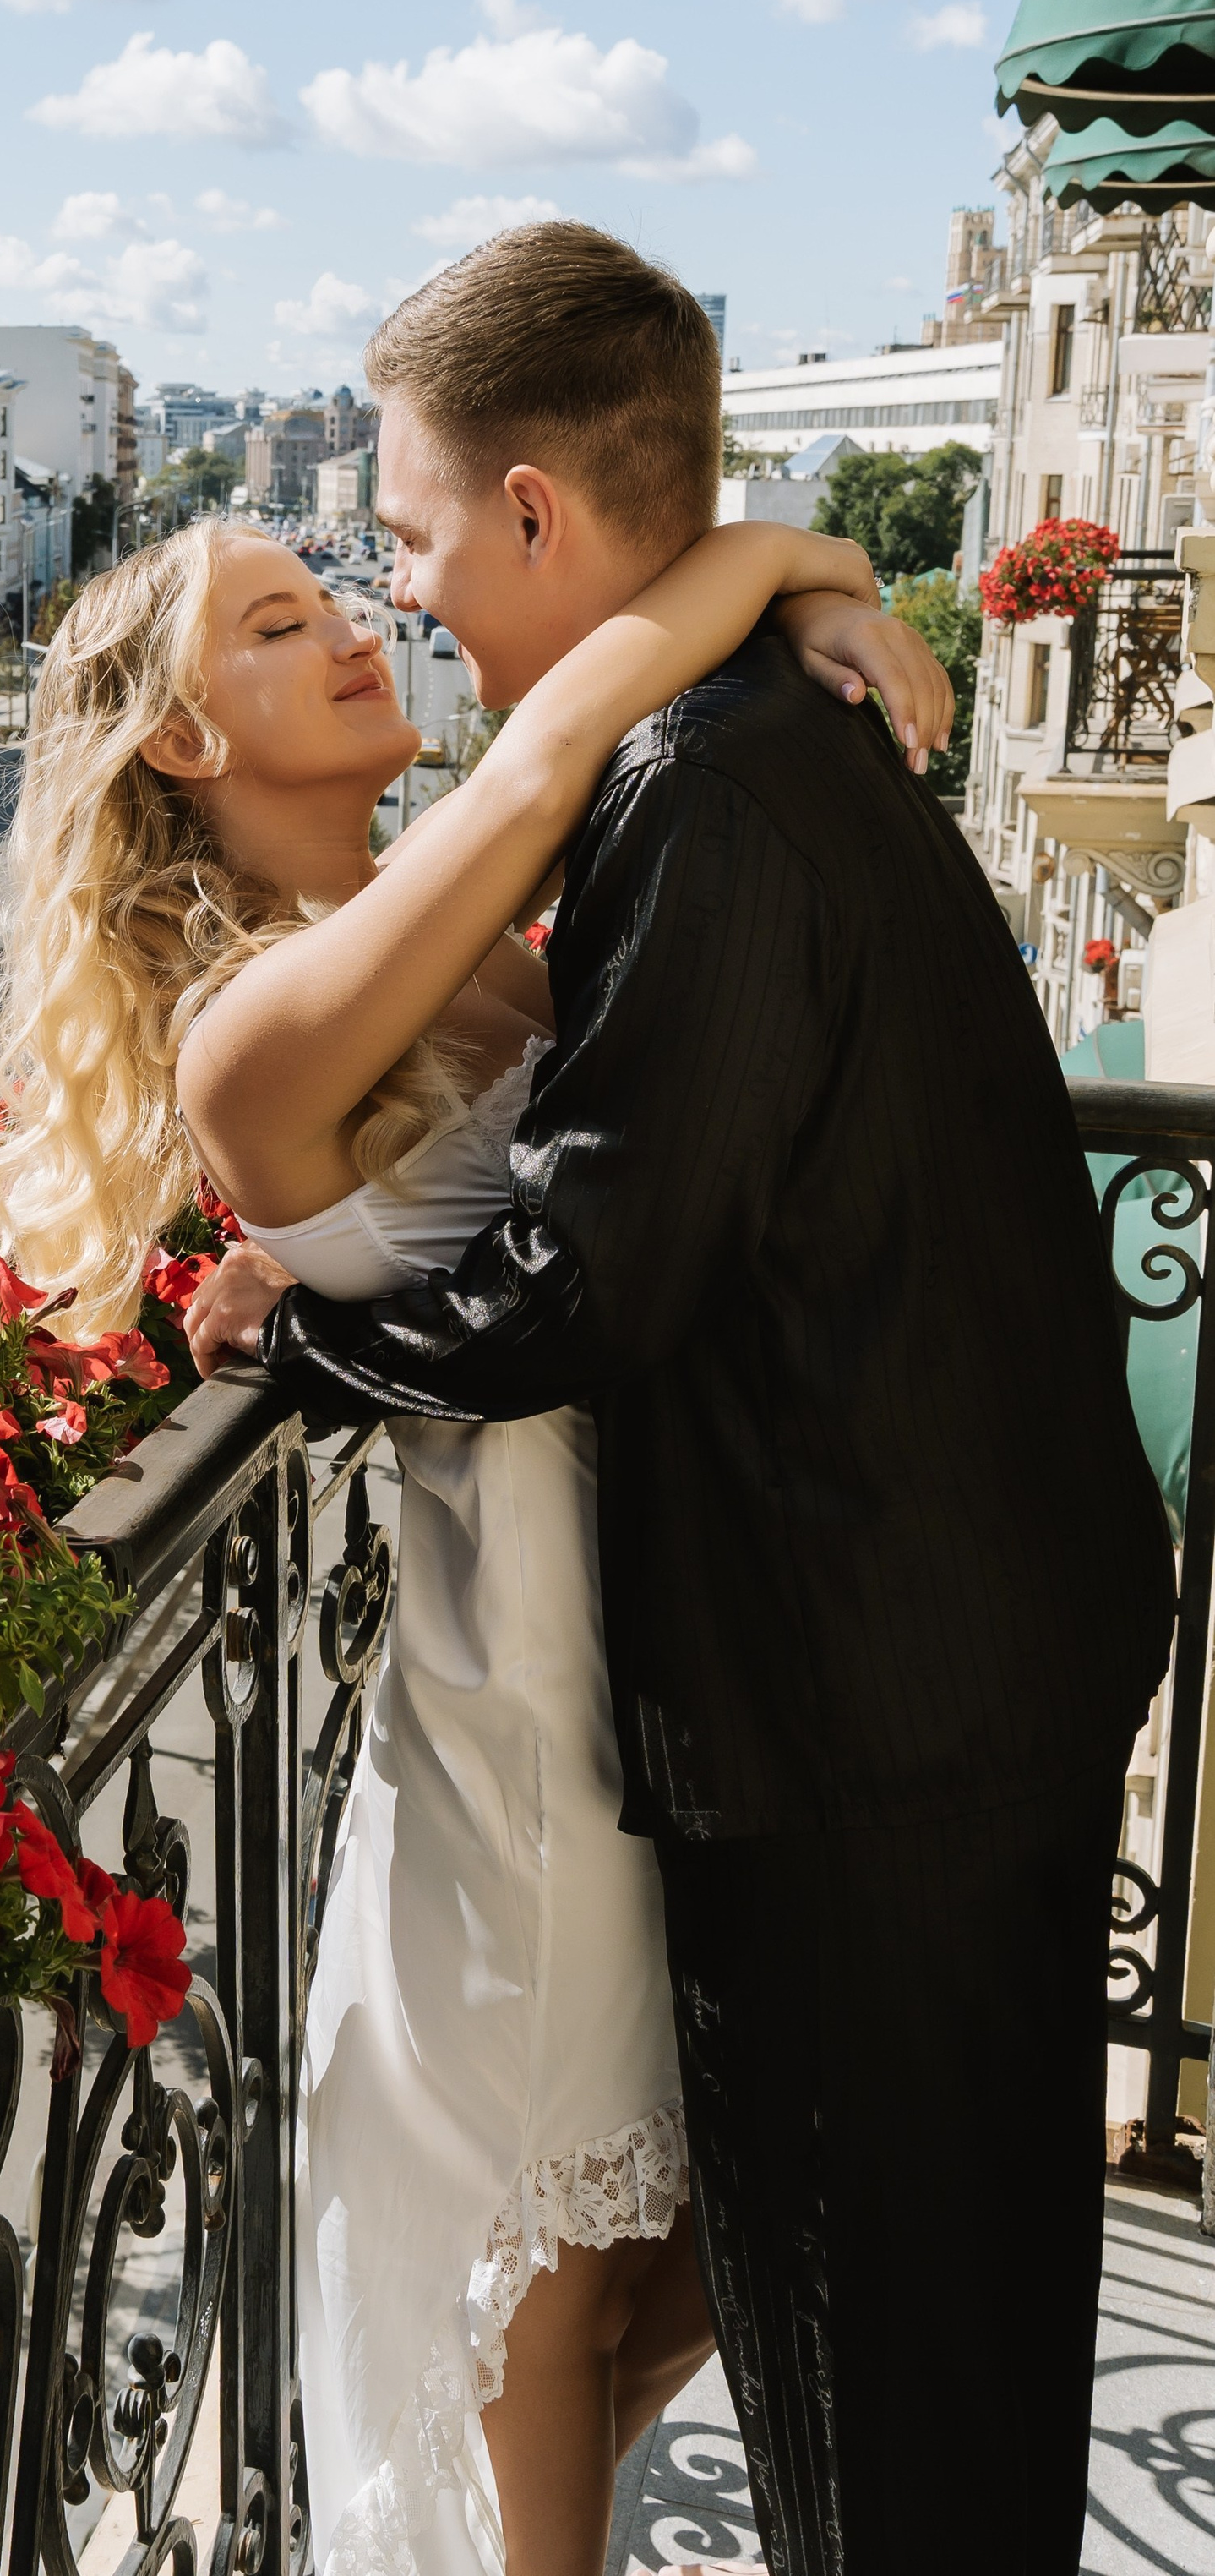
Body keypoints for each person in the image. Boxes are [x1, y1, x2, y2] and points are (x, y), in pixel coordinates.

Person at [188, 223, 1178, 2576]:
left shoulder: (699, 791)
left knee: (886, 2402)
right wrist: (804, 574)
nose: (401, 590)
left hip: (876, 1723)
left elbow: (579, 1281)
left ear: (537, 513)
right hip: (942, 1676)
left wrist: (287, 1330)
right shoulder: (729, 748)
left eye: (414, 535)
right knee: (921, 2345)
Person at [0, 472, 949, 2576]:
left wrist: (812, 591)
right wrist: (809, 563)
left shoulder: (454, 950)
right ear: (177, 745)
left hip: (635, 1671)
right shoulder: (262, 1020)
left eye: (331, 588)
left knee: (666, 2282)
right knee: (570, 2308)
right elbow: (552, 744)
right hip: (529, 1755)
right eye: (268, 627)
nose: (347, 624)